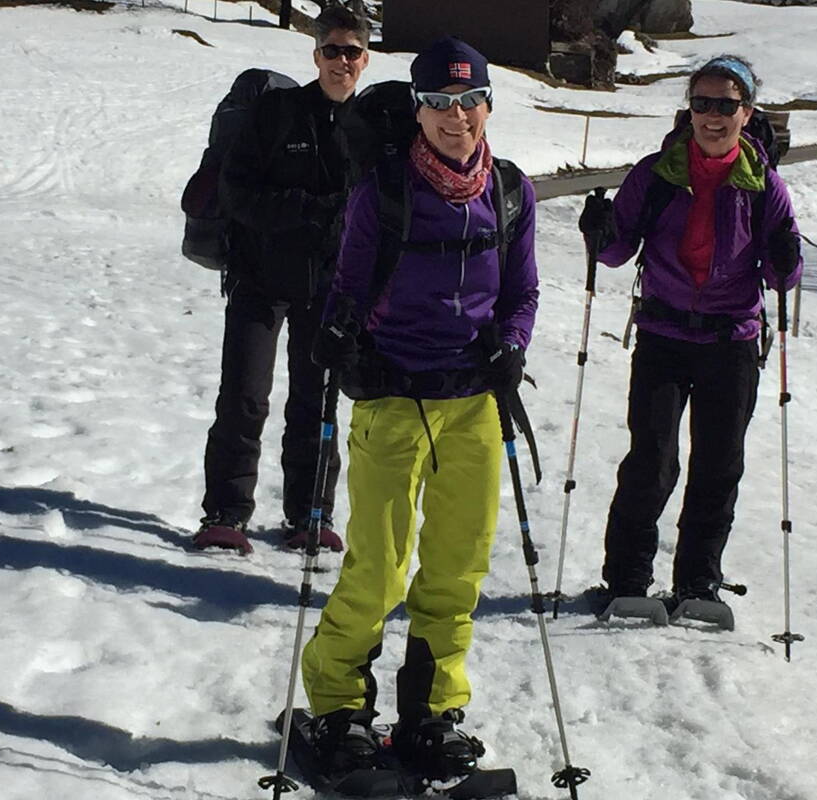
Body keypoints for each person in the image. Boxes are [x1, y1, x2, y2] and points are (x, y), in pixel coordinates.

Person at [298, 37, 539, 781]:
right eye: (439, 102)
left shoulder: (510, 190)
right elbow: (349, 280)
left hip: (473, 403)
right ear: (419, 109)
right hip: (394, 399)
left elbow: (522, 292)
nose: (456, 117)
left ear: (489, 103)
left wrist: (512, 345)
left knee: (457, 570)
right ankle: (339, 706)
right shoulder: (387, 190)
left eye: (469, 101)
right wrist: (337, 335)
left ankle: (432, 711)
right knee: (379, 568)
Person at [578, 55, 803, 613]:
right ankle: (627, 581)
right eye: (702, 103)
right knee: (651, 461)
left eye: (726, 104)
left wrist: (786, 256)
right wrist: (599, 232)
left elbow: (781, 276)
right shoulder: (656, 174)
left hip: (730, 341)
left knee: (718, 464)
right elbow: (615, 251)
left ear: (746, 113)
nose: (713, 115)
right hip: (663, 332)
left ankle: (697, 583)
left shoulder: (763, 186)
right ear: (690, 111)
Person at [194, 7, 371, 555]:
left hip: (329, 287)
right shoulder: (277, 113)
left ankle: (310, 514)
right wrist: (305, 210)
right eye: (332, 51)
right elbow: (236, 192)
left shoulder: (371, 128)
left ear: (365, 59)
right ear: (315, 55)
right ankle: (225, 513)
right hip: (259, 278)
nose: (342, 62)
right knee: (245, 397)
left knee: (316, 403)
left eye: (352, 52)